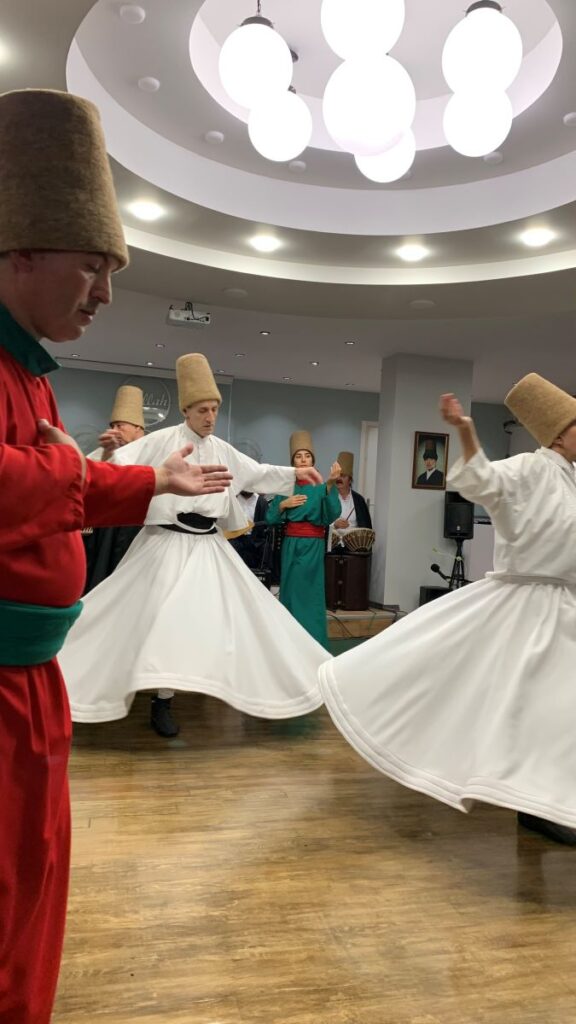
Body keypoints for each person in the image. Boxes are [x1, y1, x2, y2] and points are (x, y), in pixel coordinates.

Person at [0, 89, 232, 1024]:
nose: (103, 292)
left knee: (34, 880)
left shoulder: (31, 376)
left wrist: (153, 485)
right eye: (93, 266)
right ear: (19, 248)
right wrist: (62, 471)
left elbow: (58, 480)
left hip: (30, 676)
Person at [319, 373, 576, 846]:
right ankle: (521, 794)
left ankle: (538, 799)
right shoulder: (530, 468)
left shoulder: (572, 479)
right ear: (560, 433)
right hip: (525, 602)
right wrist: (464, 430)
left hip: (562, 602)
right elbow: (481, 480)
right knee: (511, 697)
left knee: (552, 707)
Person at [60, 354, 331, 740]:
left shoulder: (221, 448)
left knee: (249, 613)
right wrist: (104, 453)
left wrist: (295, 473)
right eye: (203, 409)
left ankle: (267, 684)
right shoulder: (162, 440)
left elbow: (257, 473)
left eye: (215, 409)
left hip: (208, 546)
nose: (210, 416)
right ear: (186, 410)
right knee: (144, 617)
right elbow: (116, 463)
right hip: (165, 542)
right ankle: (152, 700)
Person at [267, 431, 341, 648]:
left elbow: (331, 515)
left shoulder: (321, 486)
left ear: (313, 459)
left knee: (311, 594)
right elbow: (271, 518)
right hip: (290, 545)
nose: (303, 459)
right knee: (289, 591)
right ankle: (289, 645)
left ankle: (313, 644)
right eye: (298, 456)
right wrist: (283, 505)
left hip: (312, 547)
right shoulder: (285, 485)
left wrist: (329, 486)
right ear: (293, 461)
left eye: (306, 455)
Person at [82, 385, 145, 591]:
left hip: (137, 529)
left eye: (121, 426)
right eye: (113, 426)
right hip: (106, 529)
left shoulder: (151, 450)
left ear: (137, 427)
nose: (115, 431)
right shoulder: (104, 451)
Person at [330, 450, 372, 548]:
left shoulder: (359, 500)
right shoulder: (328, 497)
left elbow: (366, 529)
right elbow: (320, 525)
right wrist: (334, 524)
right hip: (332, 548)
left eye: (343, 476)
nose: (339, 479)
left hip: (354, 549)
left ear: (350, 480)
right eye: (338, 475)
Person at [228, 490, 270, 572]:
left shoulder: (261, 501)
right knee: (230, 546)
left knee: (265, 547)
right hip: (236, 537)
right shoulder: (233, 500)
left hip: (255, 538)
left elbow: (267, 521)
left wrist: (253, 525)